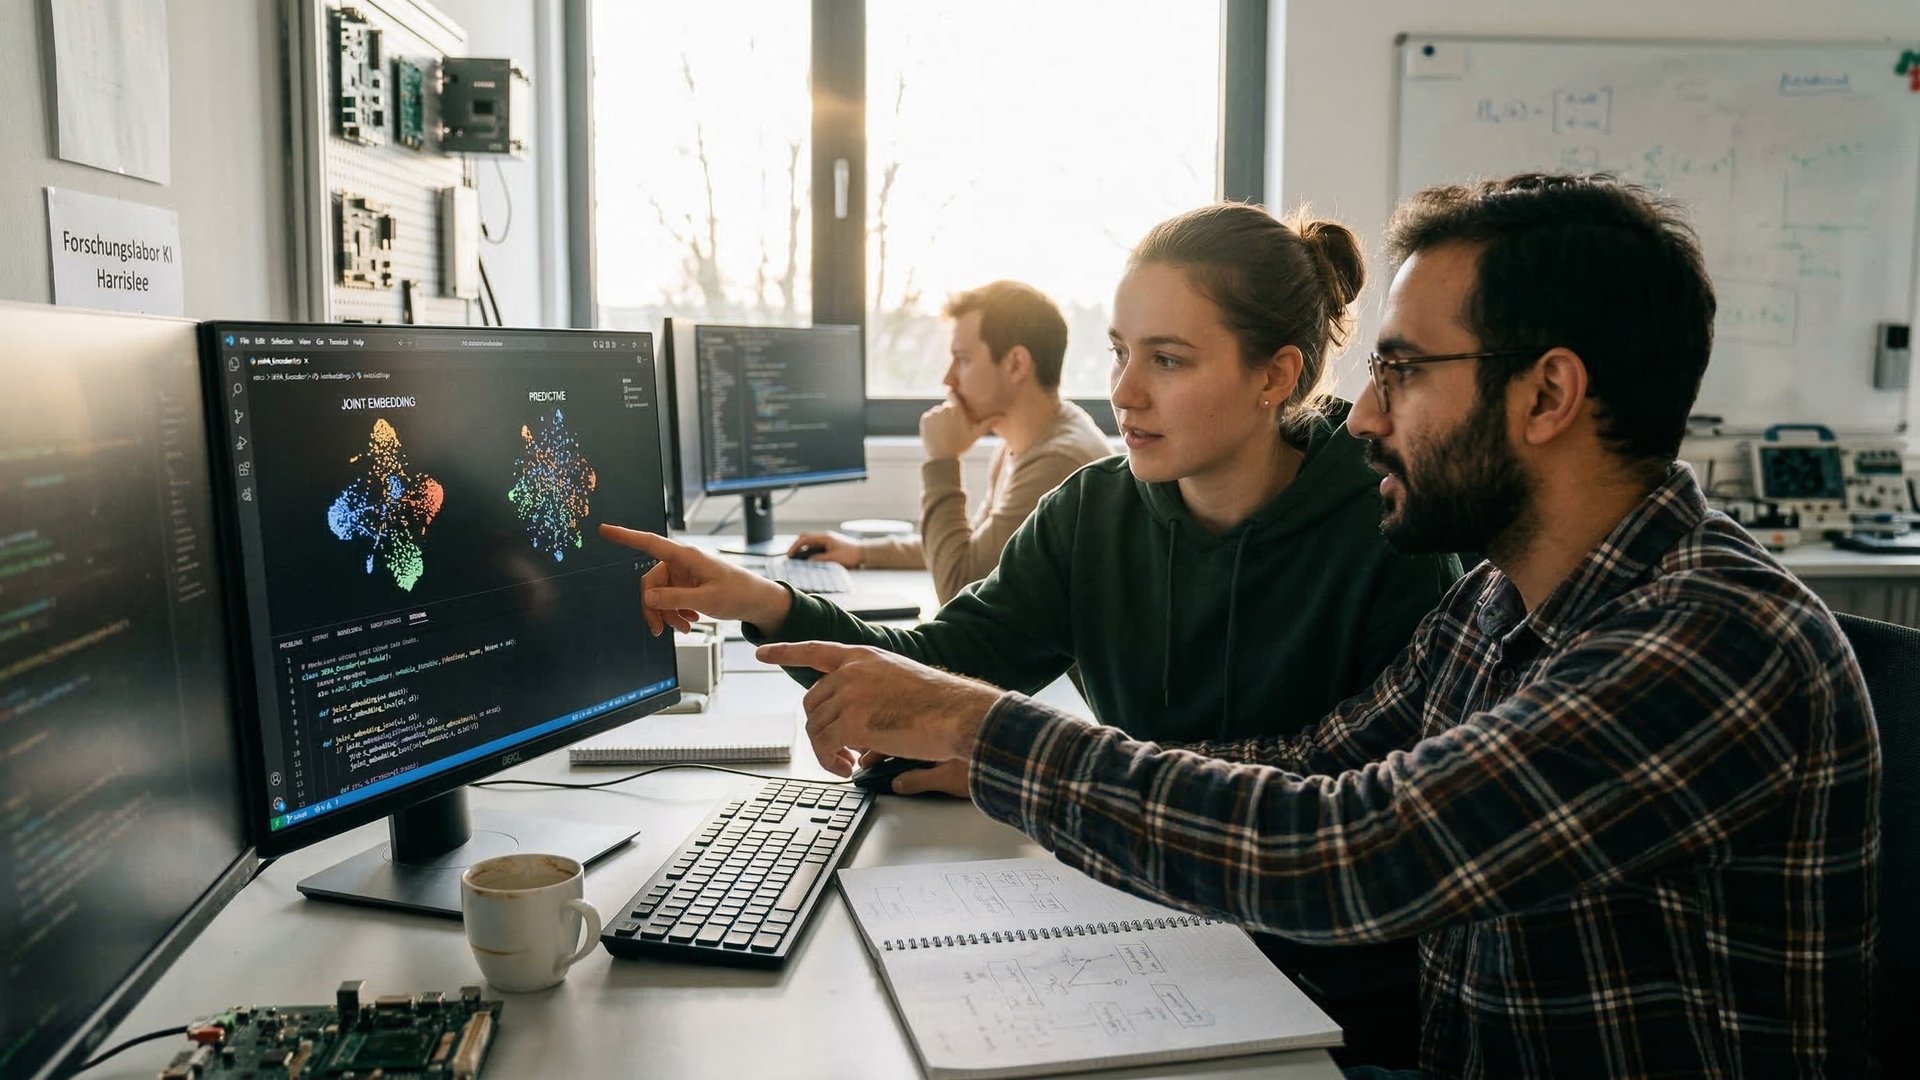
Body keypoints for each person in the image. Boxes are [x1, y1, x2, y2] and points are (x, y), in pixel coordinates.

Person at [752, 174, 1880, 1078]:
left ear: (1547, 396)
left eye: (1404, 371)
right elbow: (1309, 763)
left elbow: (1352, 851)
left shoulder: (1711, 639)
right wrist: (1005, 768)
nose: (1368, 414)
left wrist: (989, 732)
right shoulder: (1502, 599)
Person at [603, 203, 1462, 1066]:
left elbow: (1352, 811)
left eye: (1167, 360)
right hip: (1149, 923)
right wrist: (762, 599)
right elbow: (939, 667)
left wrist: (1016, 764)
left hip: (1321, 980)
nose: (1123, 392)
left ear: (1274, 374)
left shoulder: (1391, 527)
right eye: (1120, 352)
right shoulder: (1093, 512)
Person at [787, 281, 1110, 605]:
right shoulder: (1027, 439)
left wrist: (942, 459)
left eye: (962, 359)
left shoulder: (1057, 462)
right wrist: (862, 552)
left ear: (1016, 364)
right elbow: (972, 549)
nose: (948, 379)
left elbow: (961, 589)